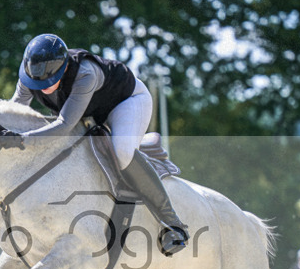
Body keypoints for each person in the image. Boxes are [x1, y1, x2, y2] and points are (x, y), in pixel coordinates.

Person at [10, 33, 189, 255]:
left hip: (126, 102)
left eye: (48, 81)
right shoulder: (30, 74)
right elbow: (13, 113)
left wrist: (24, 140)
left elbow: (64, 125)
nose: (40, 87)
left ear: (64, 68)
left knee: (122, 152)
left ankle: (173, 224)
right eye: (34, 81)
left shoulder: (85, 73)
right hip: (91, 113)